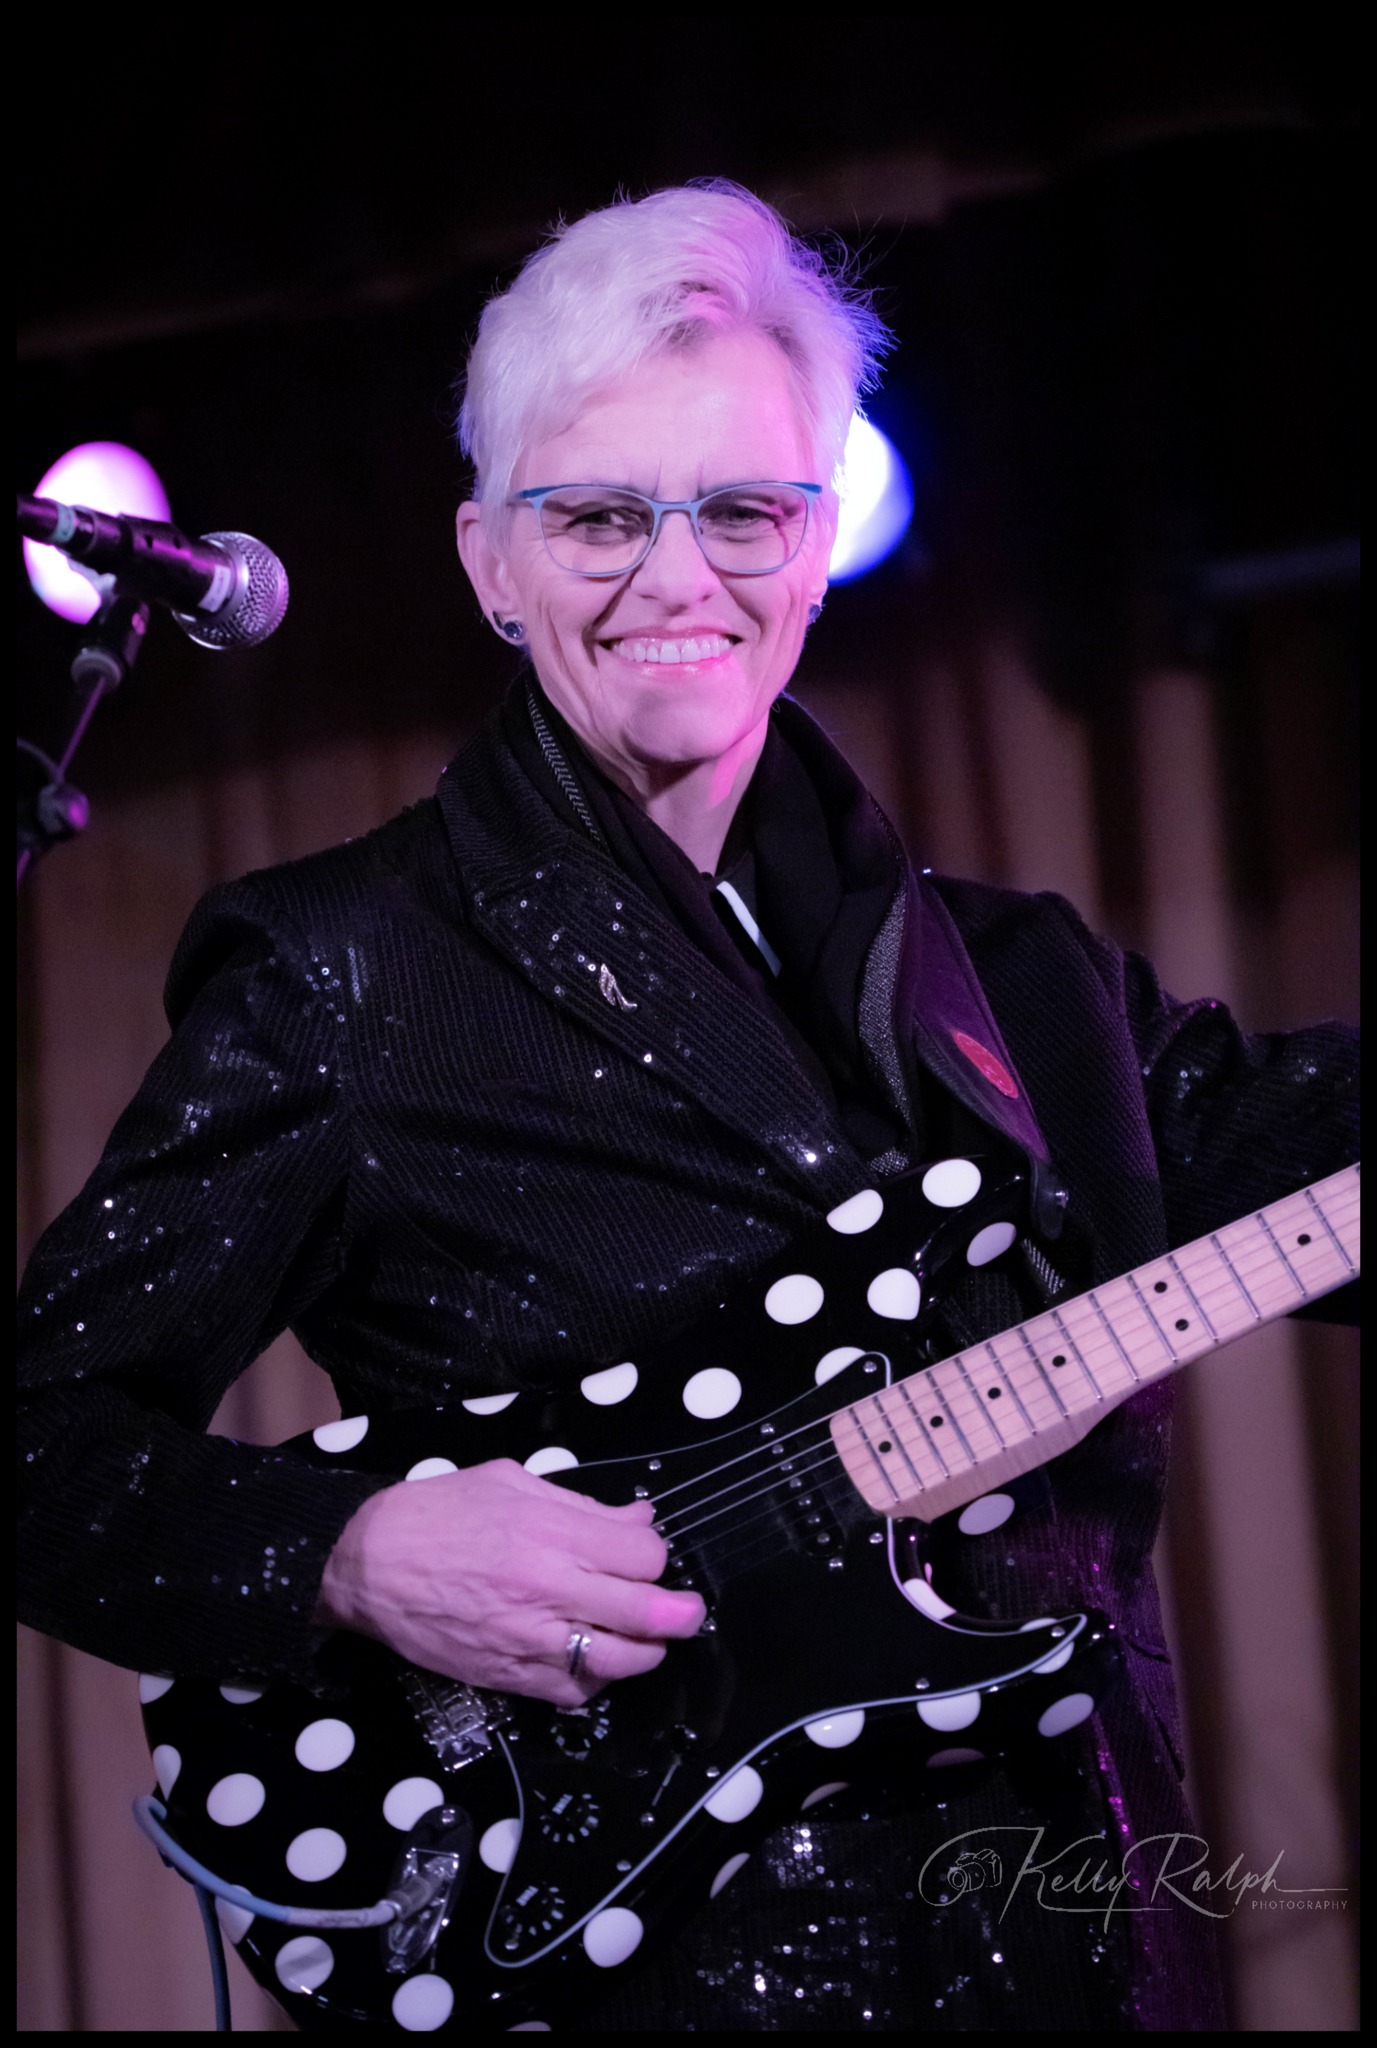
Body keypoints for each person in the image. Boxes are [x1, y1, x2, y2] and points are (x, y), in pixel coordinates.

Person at [17, 181, 1358, 2032]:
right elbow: (40, 1437)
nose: (678, 577)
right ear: (488, 560)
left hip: (1099, 1951)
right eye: (597, 517)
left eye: (740, 510)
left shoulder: (1029, 985)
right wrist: (345, 1551)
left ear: (818, 542)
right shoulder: (344, 968)